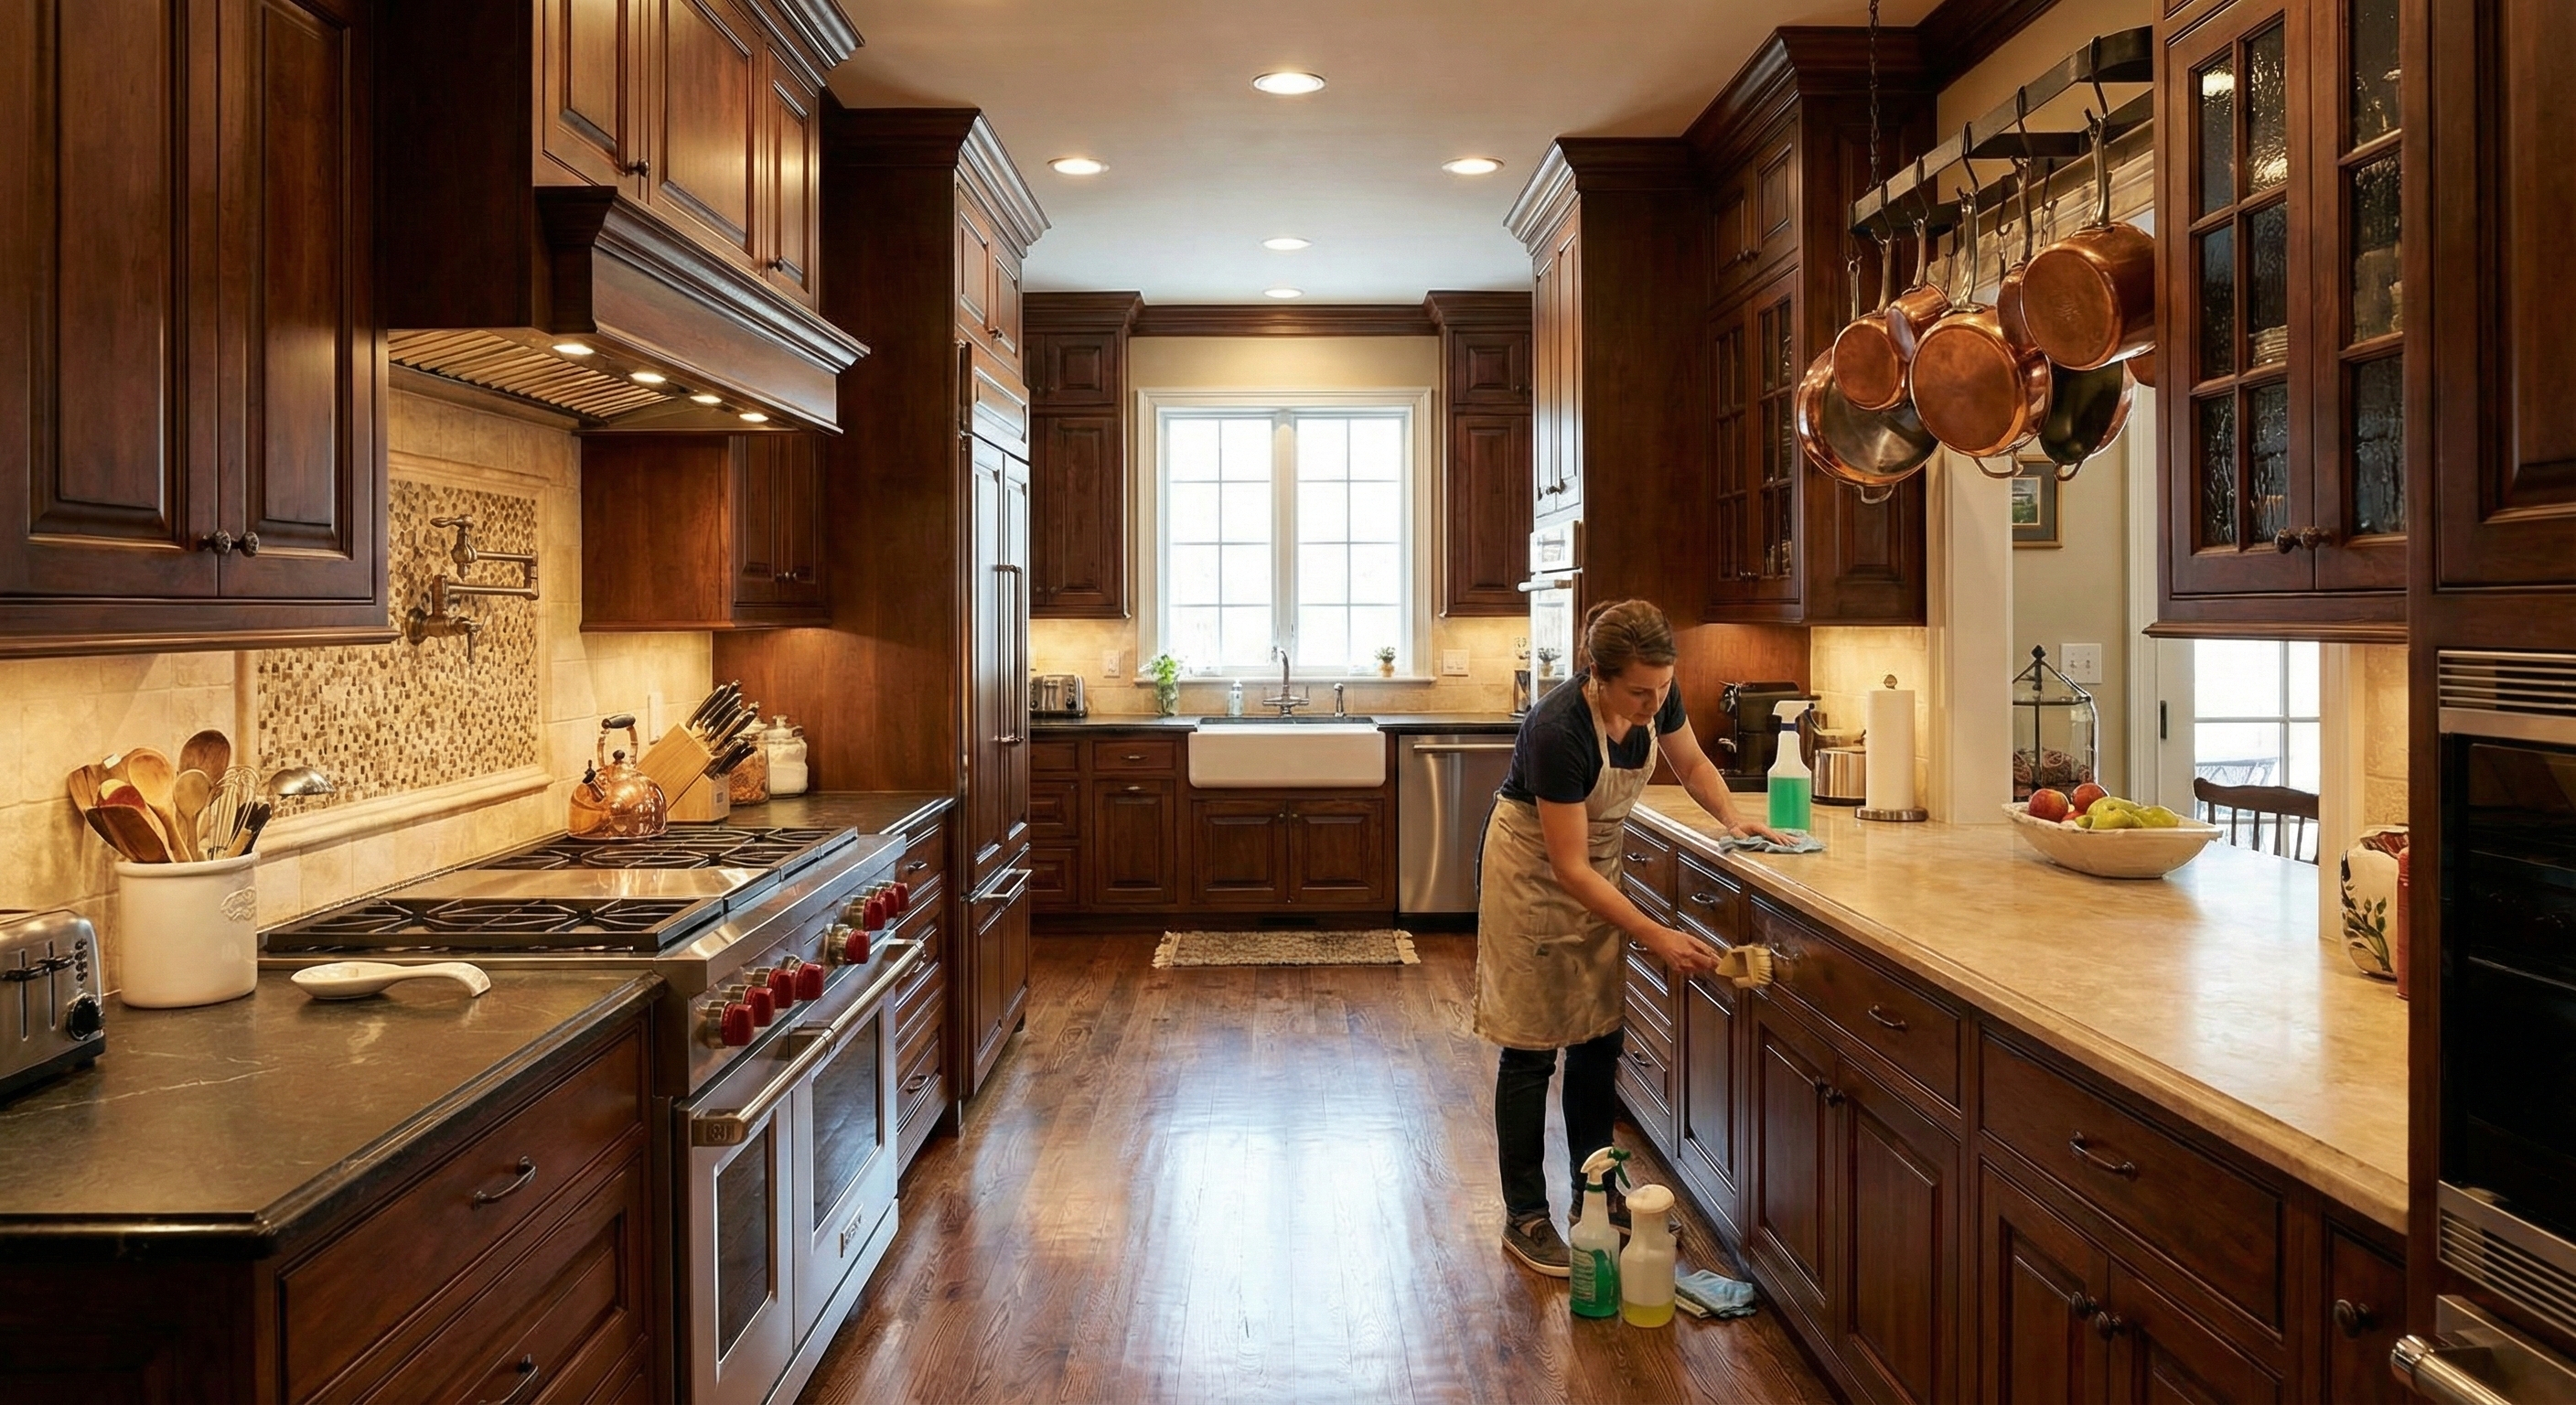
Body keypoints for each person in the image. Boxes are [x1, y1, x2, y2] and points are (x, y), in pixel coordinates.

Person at [1476, 597, 1787, 1274]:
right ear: (1598, 674)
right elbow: (1566, 866)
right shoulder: (1558, 729)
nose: (1655, 703)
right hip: (1536, 871)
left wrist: (1734, 817)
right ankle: (1524, 1213)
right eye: (1640, 692)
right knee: (1532, 1047)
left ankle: (1597, 1189)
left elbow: (1695, 766)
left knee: (1598, 1037)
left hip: (1597, 863)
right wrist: (1657, 936)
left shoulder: (1656, 699)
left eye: (1664, 688)